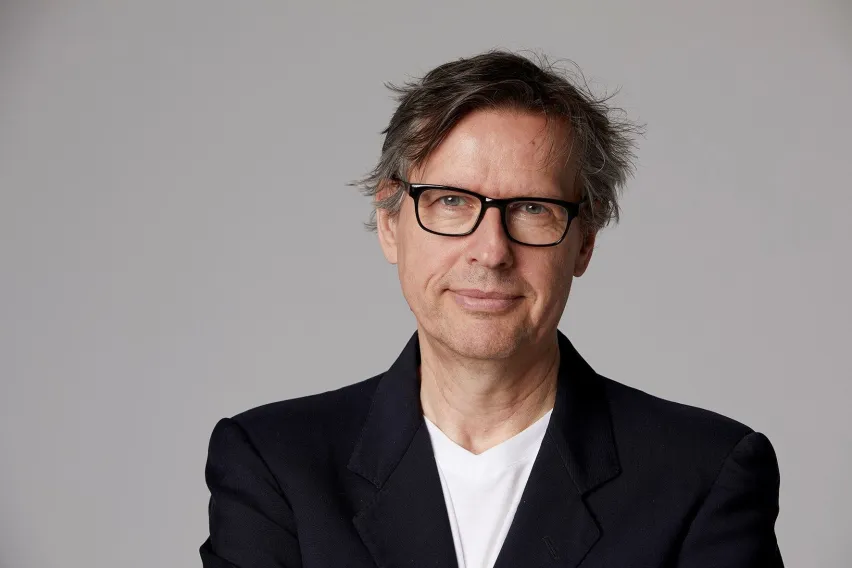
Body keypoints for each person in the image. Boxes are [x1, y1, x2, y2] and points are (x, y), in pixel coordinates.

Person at [199, 50, 783, 568]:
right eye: (451, 201)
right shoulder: (274, 463)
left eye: (533, 208)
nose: (492, 251)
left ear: (584, 241)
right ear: (390, 223)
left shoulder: (703, 473)